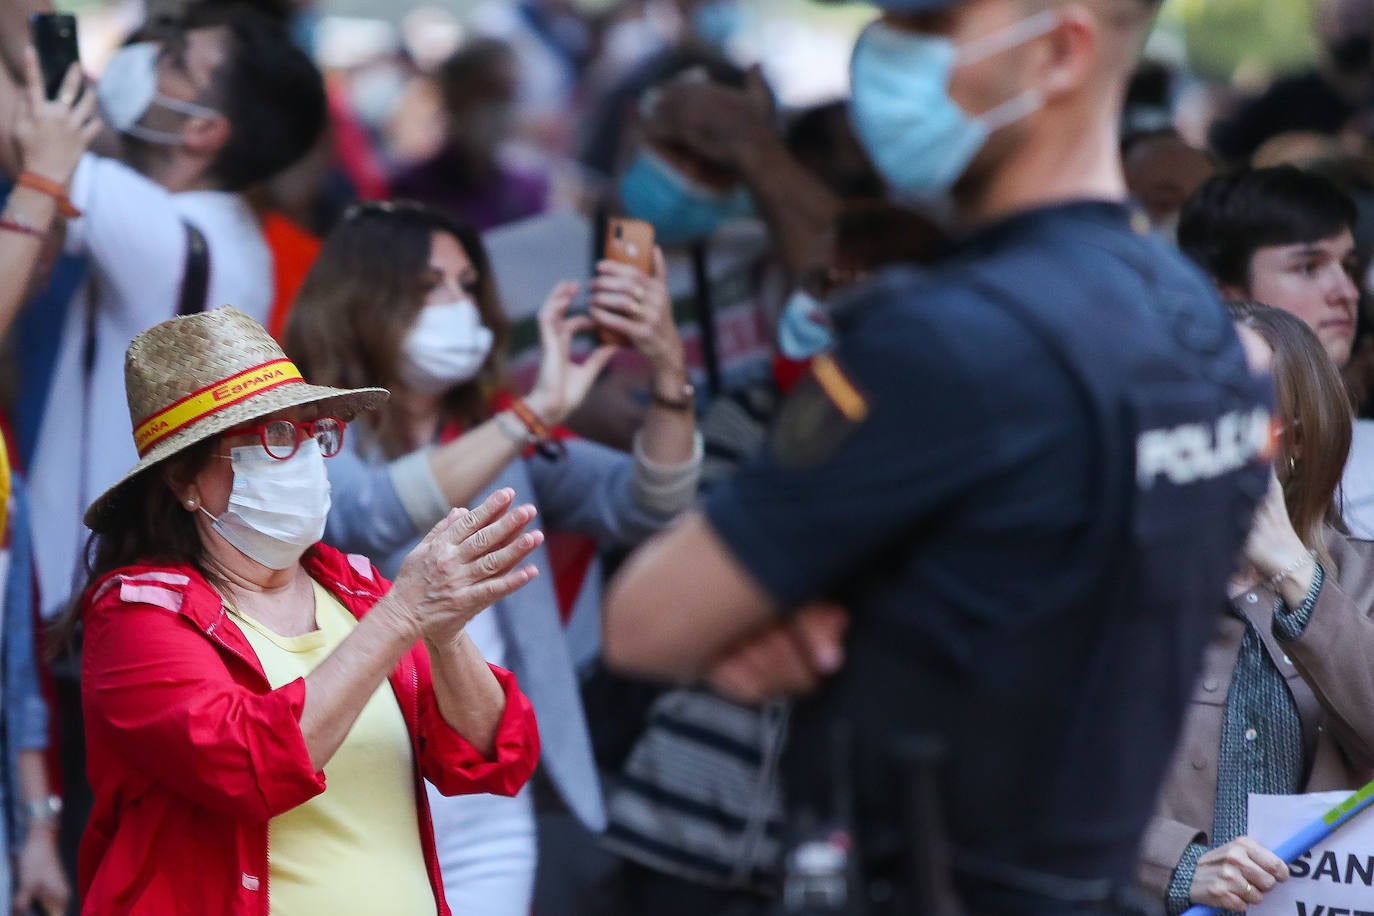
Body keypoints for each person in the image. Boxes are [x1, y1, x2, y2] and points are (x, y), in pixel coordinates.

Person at [599, 0, 1273, 914]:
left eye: (929, 25)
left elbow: (647, 619)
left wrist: (813, 609)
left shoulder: (946, 338)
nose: (885, 56)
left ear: (1060, 51)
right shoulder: (1200, 327)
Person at [283, 201, 701, 915]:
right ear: (361, 298)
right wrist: (528, 416)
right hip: (353, 785)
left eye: (467, 283)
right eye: (430, 286)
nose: (459, 304)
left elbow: (648, 502)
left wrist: (668, 373)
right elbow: (369, 513)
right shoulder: (306, 435)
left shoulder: (501, 438)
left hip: (490, 795)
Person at [65, 305, 542, 915]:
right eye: (274, 436)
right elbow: (247, 764)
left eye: (313, 434)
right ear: (184, 480)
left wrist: (445, 635)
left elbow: (492, 758)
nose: (308, 458)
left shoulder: (355, 588)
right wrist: (402, 617)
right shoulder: (137, 617)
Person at [0, 2, 329, 623]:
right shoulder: (218, 231)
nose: (146, 57)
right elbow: (60, 108)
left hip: (84, 600)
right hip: (110, 587)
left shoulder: (173, 242)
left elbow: (28, 130)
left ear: (202, 130)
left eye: (175, 61)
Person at [1139, 302, 1374, 914]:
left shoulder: (1364, 577)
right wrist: (1176, 864)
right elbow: (1023, 773)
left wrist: (1292, 570)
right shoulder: (1108, 586)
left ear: (1295, 435)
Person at [1176, 166, 1374, 537]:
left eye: (1348, 266)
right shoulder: (1184, 462)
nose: (1347, 292)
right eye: (1307, 267)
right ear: (1224, 292)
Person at [391, 40, 551, 232]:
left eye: (508, 95)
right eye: (489, 93)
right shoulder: (413, 188)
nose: (499, 109)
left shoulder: (527, 189)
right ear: (454, 96)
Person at [1209, 0, 1374, 164]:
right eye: (1345, 19)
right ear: (1319, 25)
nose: (1355, 30)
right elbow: (1228, 149)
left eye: (1365, 19)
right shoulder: (1283, 99)